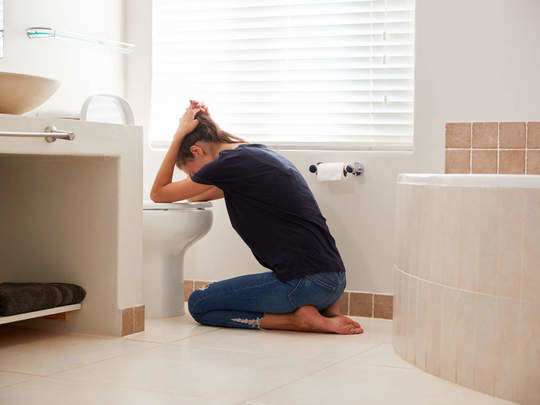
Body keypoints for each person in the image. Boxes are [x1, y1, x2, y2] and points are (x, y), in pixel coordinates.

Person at [150, 100, 363, 335]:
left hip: (305, 283)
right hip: (334, 281)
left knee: (199, 303)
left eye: (192, 173)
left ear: (196, 151)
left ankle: (296, 320)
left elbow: (159, 194)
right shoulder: (255, 154)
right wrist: (204, 124)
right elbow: (195, 196)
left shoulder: (227, 164)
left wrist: (179, 136)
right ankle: (322, 311)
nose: (195, 178)